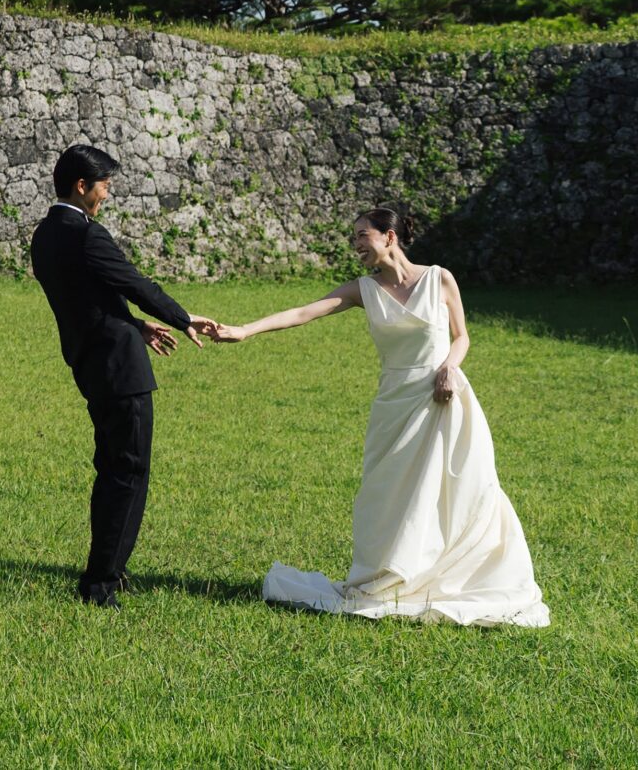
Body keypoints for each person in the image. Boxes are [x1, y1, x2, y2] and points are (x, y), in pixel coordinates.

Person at [213, 206, 550, 627]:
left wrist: (449, 367)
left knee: (458, 491)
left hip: (442, 400)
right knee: (387, 495)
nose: (356, 245)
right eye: (354, 237)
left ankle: (450, 573)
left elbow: (462, 336)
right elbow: (303, 312)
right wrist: (245, 329)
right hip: (395, 402)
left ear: (390, 237)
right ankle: (389, 577)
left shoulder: (439, 278)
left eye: (362, 236)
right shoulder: (362, 289)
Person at [29, 143, 220, 608]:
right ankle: (101, 582)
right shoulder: (86, 235)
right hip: (120, 370)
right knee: (128, 472)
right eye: (105, 186)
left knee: (113, 468)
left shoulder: (44, 234)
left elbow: (84, 298)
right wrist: (182, 318)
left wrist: (136, 324)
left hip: (91, 363)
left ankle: (106, 568)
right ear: (82, 186)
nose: (107, 196)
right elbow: (134, 283)